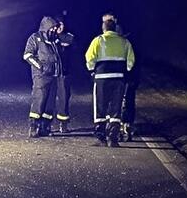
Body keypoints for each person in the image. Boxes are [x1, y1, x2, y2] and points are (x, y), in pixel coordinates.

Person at [85, 15, 136, 147]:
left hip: (101, 78)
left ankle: (100, 134)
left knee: (100, 106)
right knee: (116, 107)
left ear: (104, 28)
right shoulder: (125, 42)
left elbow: (89, 57)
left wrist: (92, 69)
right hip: (119, 78)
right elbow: (131, 61)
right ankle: (113, 137)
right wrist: (126, 70)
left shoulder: (99, 40)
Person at [23, 15, 62, 137]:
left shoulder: (53, 40)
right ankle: (33, 126)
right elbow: (27, 55)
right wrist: (41, 67)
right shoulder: (35, 38)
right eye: (53, 28)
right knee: (39, 100)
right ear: (46, 27)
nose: (54, 30)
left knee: (50, 103)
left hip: (53, 75)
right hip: (41, 76)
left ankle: (45, 127)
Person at [53, 16, 77, 133]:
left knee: (64, 98)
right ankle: (45, 125)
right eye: (57, 25)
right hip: (51, 73)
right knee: (48, 99)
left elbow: (72, 49)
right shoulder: (50, 37)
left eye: (61, 25)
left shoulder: (69, 37)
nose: (59, 27)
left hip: (64, 73)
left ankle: (63, 124)